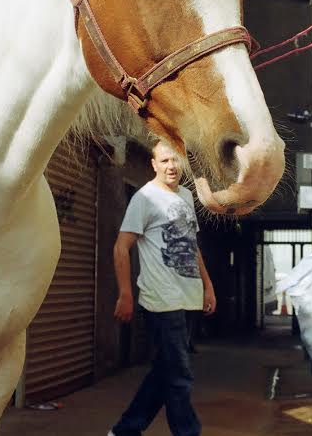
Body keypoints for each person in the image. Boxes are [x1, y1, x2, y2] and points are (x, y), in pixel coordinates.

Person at [108, 140, 216, 436]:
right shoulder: (145, 198)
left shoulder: (185, 196)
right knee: (179, 375)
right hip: (161, 299)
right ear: (153, 164)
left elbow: (192, 246)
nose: (171, 166)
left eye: (176, 160)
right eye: (165, 160)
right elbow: (121, 247)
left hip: (188, 298)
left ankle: (124, 431)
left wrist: (207, 286)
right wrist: (125, 294)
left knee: (165, 372)